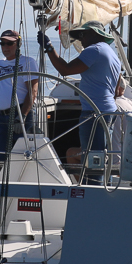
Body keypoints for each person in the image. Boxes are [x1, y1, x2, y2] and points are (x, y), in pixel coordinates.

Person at [37, 21, 122, 165]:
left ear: (95, 34)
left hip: (94, 113)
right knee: (86, 154)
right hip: (108, 111)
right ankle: (87, 184)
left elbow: (65, 70)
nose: (80, 40)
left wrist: (49, 47)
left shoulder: (94, 50)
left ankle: (94, 185)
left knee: (94, 160)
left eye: (82, 34)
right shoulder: (112, 54)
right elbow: (118, 91)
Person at [0, 30, 40, 158]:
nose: (5, 47)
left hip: (21, 114)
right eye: (3, 43)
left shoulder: (28, 62)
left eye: (9, 43)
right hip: (2, 117)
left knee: (23, 155)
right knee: (2, 156)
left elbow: (33, 90)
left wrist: (22, 116)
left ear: (18, 44)